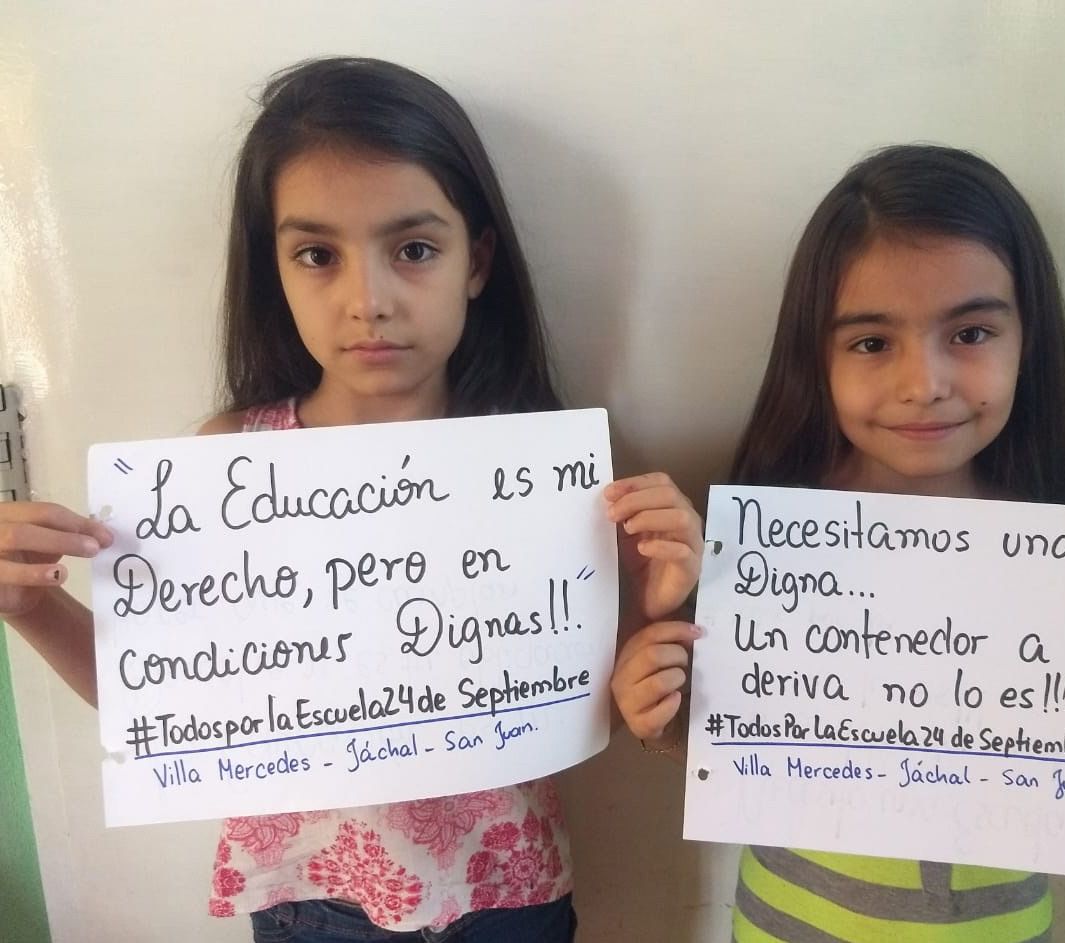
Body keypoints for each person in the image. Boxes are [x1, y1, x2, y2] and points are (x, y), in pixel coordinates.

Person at [0, 56, 701, 942]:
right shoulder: (231, 465)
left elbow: (597, 704)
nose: (367, 300)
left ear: (477, 260)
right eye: (317, 255)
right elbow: (168, 707)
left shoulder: (547, 469)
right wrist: (30, 605)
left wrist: (659, 604)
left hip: (507, 890)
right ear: (275, 268)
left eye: (414, 249)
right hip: (311, 901)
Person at [613, 143, 1065, 942]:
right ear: (817, 355)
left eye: (970, 332)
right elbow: (724, 741)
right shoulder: (775, 536)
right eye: (872, 342)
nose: (924, 383)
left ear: (1028, 339)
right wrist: (656, 711)